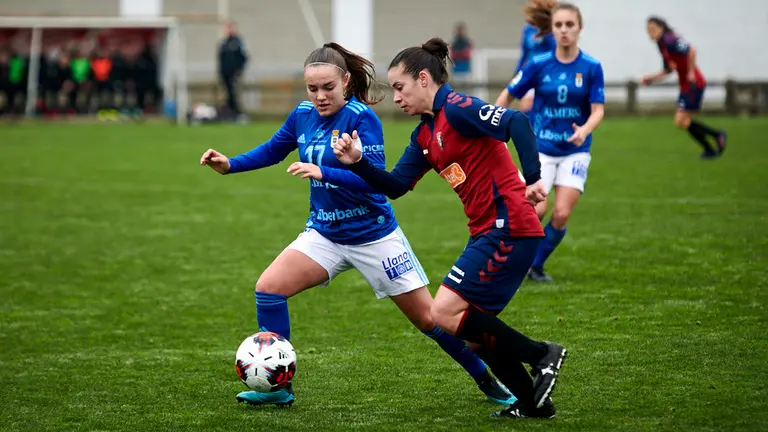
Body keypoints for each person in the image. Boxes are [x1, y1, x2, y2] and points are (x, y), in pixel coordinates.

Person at [200, 42, 514, 408]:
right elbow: (273, 149)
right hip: (325, 234)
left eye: (327, 88)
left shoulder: (362, 118)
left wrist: (324, 172)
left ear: (346, 81)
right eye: (312, 88)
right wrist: (231, 164)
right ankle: (279, 387)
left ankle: (487, 380)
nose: (319, 96)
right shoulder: (302, 114)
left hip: (374, 236)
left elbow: (374, 181)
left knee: (431, 320)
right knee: (269, 289)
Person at [332, 37, 567, 419]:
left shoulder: (457, 108)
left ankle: (543, 355)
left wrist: (534, 177)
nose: (396, 98)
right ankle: (533, 404)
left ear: (423, 79)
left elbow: (516, 121)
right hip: (488, 232)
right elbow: (395, 186)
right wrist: (357, 162)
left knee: (441, 312)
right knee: (472, 333)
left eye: (399, 87)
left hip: (508, 226)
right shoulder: (425, 135)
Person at [495, 2, 605, 283]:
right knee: (537, 209)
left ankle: (535, 265)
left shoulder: (592, 67)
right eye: (559, 25)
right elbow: (507, 94)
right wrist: (497, 127)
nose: (564, 30)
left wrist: (585, 130)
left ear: (579, 28)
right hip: (541, 149)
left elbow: (598, 110)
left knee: (560, 213)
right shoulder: (539, 64)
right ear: (551, 30)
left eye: (570, 25)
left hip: (576, 152)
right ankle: (507, 258)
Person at [641, 16, 726, 159]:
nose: (651, 33)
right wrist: (652, 78)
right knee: (683, 121)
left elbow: (691, 50)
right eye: (648, 31)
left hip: (693, 83)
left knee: (681, 120)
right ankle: (712, 145)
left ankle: (716, 138)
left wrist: (691, 72)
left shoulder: (670, 40)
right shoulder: (662, 44)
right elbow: (668, 69)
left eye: (653, 29)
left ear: (661, 27)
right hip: (685, 85)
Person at [515, 0, 557, 113]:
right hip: (530, 71)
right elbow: (524, 53)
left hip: (546, 72)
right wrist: (517, 73)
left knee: (539, 107)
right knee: (525, 108)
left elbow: (555, 51)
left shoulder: (551, 29)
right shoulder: (527, 29)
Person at [217, 20, 248, 118]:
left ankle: (237, 114)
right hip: (225, 74)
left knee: (234, 94)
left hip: (234, 74)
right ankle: (230, 114)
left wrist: (239, 70)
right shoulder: (224, 43)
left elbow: (243, 57)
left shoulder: (237, 42)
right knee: (227, 95)